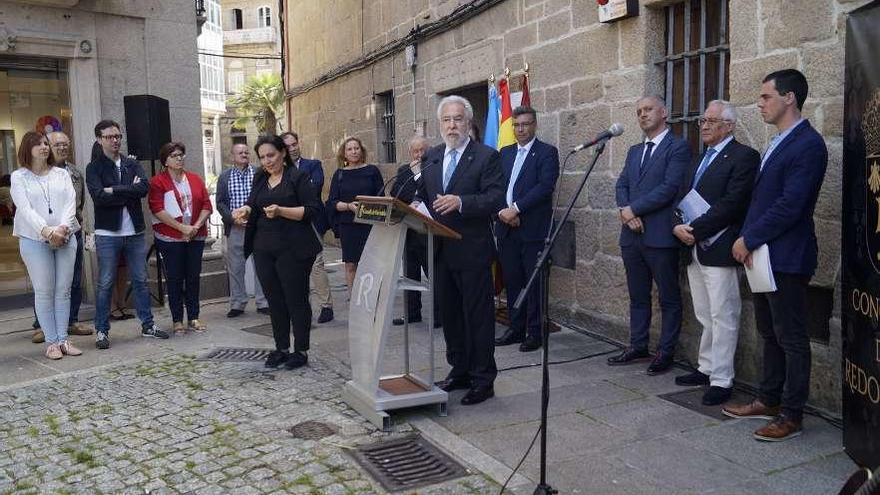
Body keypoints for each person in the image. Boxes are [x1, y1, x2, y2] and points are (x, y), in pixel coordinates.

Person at [723, 69, 828, 442]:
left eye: (766, 96)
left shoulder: (808, 145)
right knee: (769, 331)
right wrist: (749, 240)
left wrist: (748, 238)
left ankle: (792, 414)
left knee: (791, 337)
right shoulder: (779, 141)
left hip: (786, 255)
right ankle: (768, 399)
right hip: (764, 254)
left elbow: (791, 205)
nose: (760, 103)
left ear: (790, 99)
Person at [415, 95, 505, 406]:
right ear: (440, 124)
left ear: (468, 123)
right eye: (446, 120)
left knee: (477, 317)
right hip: (439, 251)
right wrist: (413, 208)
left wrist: (462, 202)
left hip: (472, 251)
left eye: (458, 119)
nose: (452, 125)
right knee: (450, 316)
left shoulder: (486, 156)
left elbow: (496, 199)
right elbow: (422, 196)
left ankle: (483, 379)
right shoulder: (433, 156)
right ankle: (460, 369)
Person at [671, 101, 759, 406]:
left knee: (724, 314)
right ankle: (706, 367)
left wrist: (694, 229)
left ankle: (722, 379)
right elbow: (680, 196)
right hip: (693, 248)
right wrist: (676, 226)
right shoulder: (697, 160)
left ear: (729, 125)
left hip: (719, 247)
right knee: (704, 314)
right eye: (702, 120)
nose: (704, 125)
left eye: (711, 120)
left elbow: (733, 204)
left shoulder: (744, 157)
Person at [609, 95, 691, 374]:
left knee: (668, 297)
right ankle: (638, 345)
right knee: (637, 295)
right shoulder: (634, 150)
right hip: (632, 236)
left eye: (648, 110)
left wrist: (632, 209)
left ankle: (665, 352)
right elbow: (622, 184)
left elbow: (669, 188)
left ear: (664, 112)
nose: (643, 115)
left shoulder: (677, 147)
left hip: (660, 234)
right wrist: (625, 211)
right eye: (639, 111)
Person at [232, 135, 321, 370]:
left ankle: (300, 350)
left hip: (292, 248)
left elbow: (312, 210)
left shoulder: (297, 177)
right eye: (262, 157)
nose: (267, 161)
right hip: (263, 247)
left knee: (296, 299)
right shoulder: (261, 177)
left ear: (282, 153)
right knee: (274, 300)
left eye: (271, 155)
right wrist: (245, 209)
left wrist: (282, 211)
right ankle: (281, 348)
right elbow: (254, 202)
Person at [86, 119, 169, 349]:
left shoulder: (132, 164)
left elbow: (143, 189)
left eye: (117, 136)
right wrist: (126, 190)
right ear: (99, 140)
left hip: (134, 231)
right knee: (105, 282)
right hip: (108, 234)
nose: (115, 140)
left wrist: (115, 189)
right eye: (109, 137)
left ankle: (148, 325)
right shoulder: (94, 168)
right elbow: (99, 197)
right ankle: (102, 330)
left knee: (141, 280)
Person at [493, 106, 560, 353]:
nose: (521, 129)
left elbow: (545, 187)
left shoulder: (546, 152)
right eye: (517, 125)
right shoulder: (505, 153)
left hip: (532, 228)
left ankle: (534, 332)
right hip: (507, 228)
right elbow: (496, 185)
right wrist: (503, 212)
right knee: (513, 280)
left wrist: (517, 209)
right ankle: (516, 327)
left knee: (533, 283)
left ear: (534, 125)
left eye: (526, 124)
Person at [10, 131, 82, 359]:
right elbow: (25, 209)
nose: (44, 147)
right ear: (26, 149)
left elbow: (71, 203)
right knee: (44, 291)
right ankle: (51, 342)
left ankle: (63, 339)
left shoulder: (61, 174)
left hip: (66, 235)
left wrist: (62, 228)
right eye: (38, 144)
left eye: (45, 143)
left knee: (63, 290)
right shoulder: (19, 177)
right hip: (34, 240)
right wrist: (48, 231)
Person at [30, 131, 94, 344]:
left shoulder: (74, 172)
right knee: (45, 282)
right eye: (57, 144)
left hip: (70, 231)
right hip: (43, 234)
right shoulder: (35, 172)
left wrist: (71, 227)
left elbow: (79, 204)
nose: (62, 148)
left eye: (66, 144)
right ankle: (42, 325)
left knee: (73, 279)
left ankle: (70, 320)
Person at [148, 142, 212, 335]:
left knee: (193, 277)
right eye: (174, 155)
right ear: (165, 161)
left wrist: (195, 226)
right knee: (175, 278)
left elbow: (207, 205)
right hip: (171, 237)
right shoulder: (158, 182)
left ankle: (193, 316)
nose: (179, 158)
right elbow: (157, 209)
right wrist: (181, 227)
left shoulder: (195, 179)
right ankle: (177, 320)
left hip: (195, 235)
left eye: (181, 154)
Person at [281, 131, 334, 324]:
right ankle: (301, 307)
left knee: (316, 264)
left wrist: (288, 195)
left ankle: (326, 307)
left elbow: (313, 189)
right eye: (288, 146)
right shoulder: (280, 171)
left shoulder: (313, 165)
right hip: (288, 224)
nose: (292, 148)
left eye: (294, 144)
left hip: (312, 222)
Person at [389, 135, 442, 328]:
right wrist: (409, 202)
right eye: (415, 151)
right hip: (409, 229)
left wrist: (419, 176)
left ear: (429, 150)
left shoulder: (435, 167)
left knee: (434, 274)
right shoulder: (404, 170)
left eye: (423, 150)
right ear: (410, 152)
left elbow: (432, 193)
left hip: (429, 230)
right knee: (410, 275)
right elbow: (395, 193)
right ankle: (412, 313)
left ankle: (440, 316)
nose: (419, 154)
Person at [216, 143, 269, 317]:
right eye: (240, 152)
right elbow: (221, 203)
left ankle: (263, 302)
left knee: (261, 265)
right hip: (236, 229)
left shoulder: (259, 173)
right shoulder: (224, 177)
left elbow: (265, 197)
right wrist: (232, 218)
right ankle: (238, 303)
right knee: (236, 267)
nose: (244, 155)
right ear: (233, 156)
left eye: (247, 152)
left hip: (258, 227)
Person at [326, 137, 383, 291]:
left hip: (370, 224)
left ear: (361, 150)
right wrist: (348, 206)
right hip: (348, 225)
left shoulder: (372, 171)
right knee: (351, 264)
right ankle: (353, 301)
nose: (353, 151)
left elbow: (381, 197)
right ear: (344, 154)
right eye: (349, 149)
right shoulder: (339, 174)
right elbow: (332, 202)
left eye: (356, 148)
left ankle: (372, 299)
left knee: (371, 263)